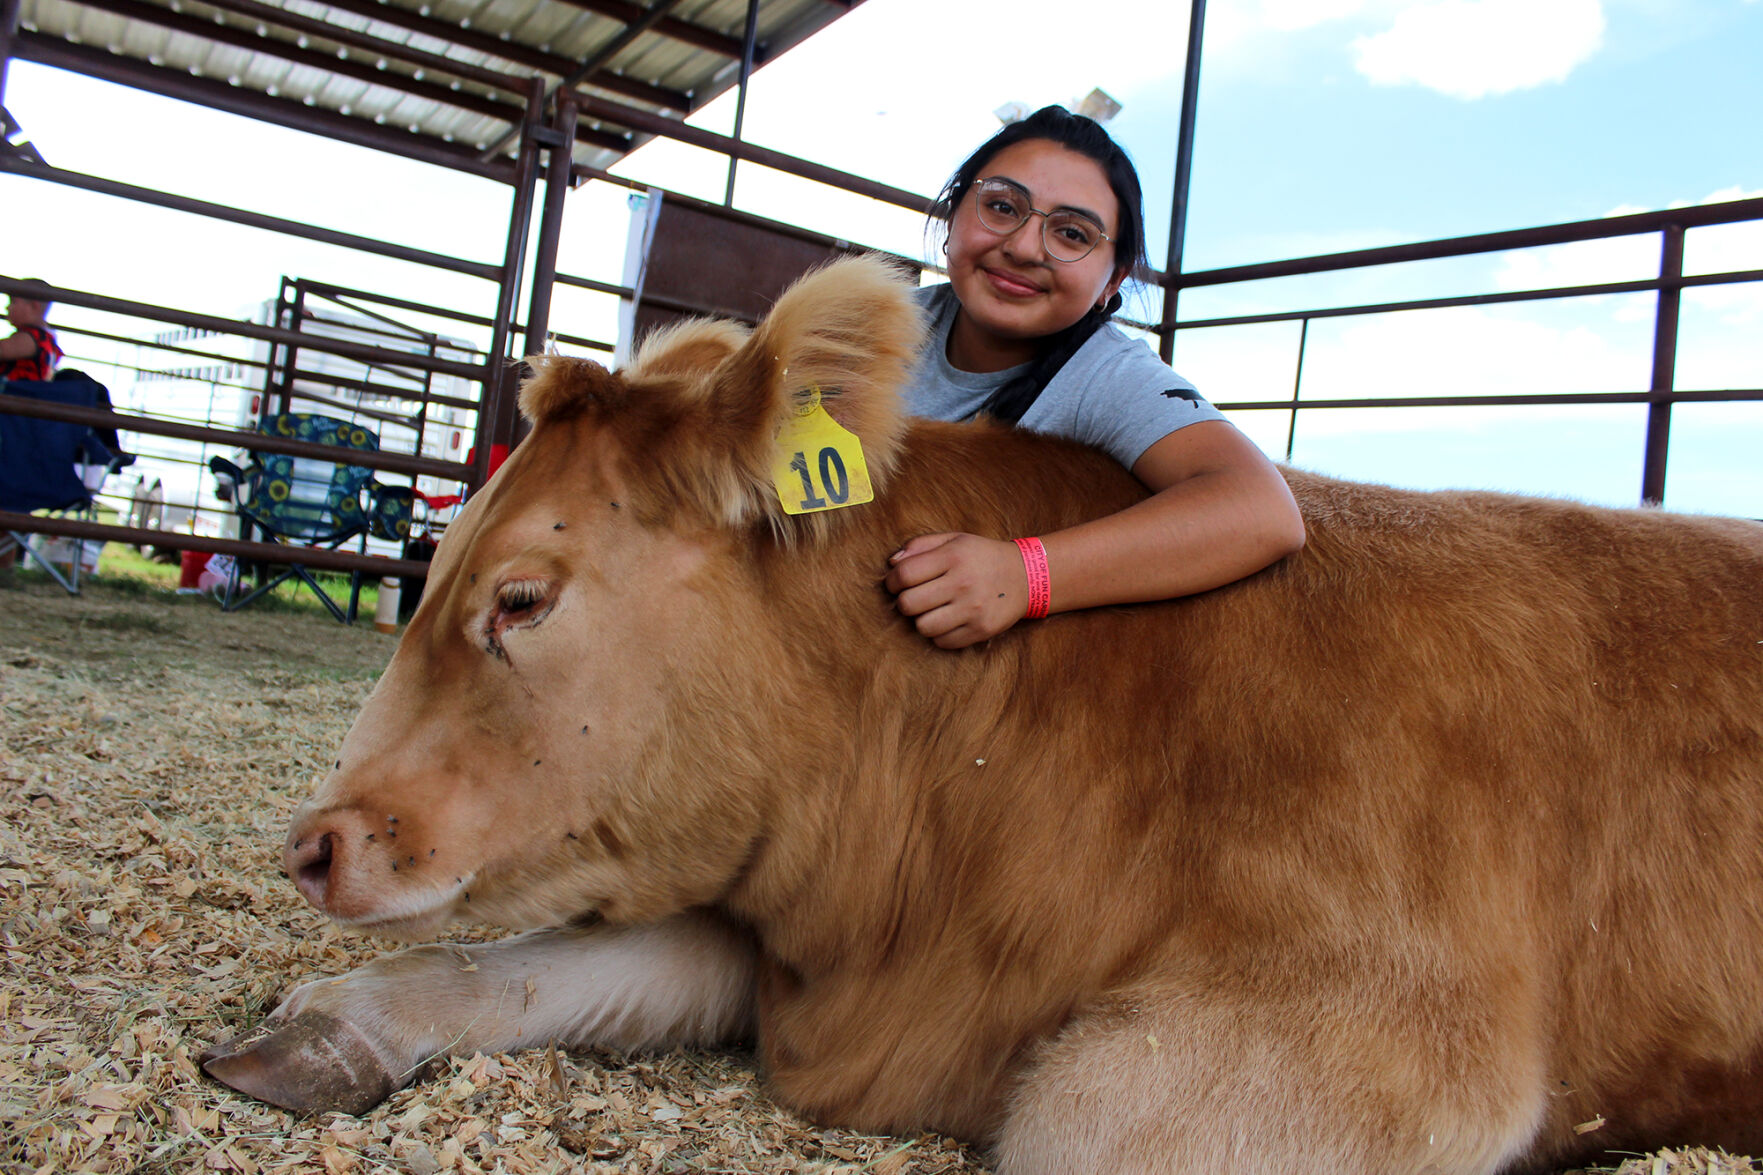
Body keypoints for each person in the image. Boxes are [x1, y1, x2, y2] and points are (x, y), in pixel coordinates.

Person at [884, 106, 1306, 649]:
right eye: (1001, 206)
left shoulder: (1107, 374)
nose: (1022, 247)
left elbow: (1262, 512)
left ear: (1113, 282)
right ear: (952, 217)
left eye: (1071, 233)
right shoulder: (867, 329)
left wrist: (1023, 575)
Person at [0, 280, 64, 383]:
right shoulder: (46, 339)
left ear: (34, 307)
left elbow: (2, 350)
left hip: (13, 393)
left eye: (13, 302)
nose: (7, 307)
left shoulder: (32, 338)